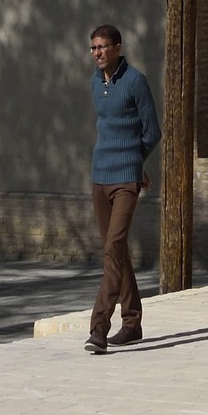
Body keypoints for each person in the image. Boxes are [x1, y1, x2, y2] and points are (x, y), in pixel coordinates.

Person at [85, 23, 161, 355]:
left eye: (102, 47)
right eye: (93, 48)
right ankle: (132, 323)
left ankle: (99, 329)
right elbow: (106, 128)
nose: (97, 53)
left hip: (126, 181)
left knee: (113, 250)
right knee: (117, 252)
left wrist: (135, 162)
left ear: (117, 47)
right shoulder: (94, 83)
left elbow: (153, 131)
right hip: (99, 177)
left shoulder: (135, 82)